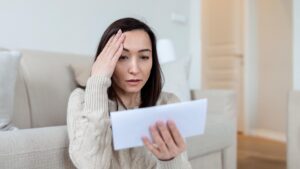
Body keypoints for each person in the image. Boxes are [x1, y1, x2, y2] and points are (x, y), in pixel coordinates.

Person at [67, 17, 192, 169]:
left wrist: (169, 161)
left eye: (144, 57)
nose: (134, 69)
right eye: (122, 57)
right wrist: (98, 80)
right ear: (106, 61)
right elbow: (93, 166)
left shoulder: (168, 103)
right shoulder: (80, 101)